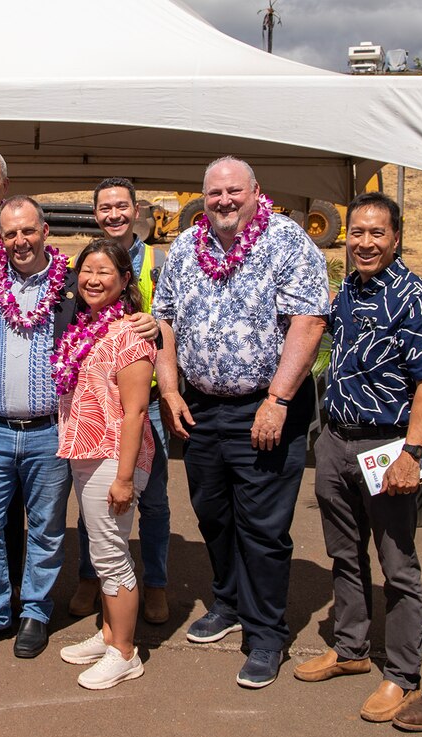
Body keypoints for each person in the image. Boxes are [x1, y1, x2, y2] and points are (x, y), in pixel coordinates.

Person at [153, 156, 328, 689]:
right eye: (213, 194)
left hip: (267, 406)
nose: (223, 201)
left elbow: (309, 319)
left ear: (256, 191)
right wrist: (168, 388)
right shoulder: (186, 246)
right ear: (202, 198)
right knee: (212, 513)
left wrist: (277, 398)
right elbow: (163, 316)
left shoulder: (288, 240)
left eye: (233, 191)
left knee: (263, 527)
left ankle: (267, 634)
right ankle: (228, 601)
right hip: (202, 408)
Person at [0, 197, 156, 661]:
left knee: (46, 529)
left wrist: (155, 325)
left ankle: (35, 613)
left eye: (28, 231)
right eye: (9, 234)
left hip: (51, 431)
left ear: (45, 230)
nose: (19, 241)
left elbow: (120, 317)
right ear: (0, 238)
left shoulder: (73, 285)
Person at [294, 192, 422, 723]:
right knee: (344, 552)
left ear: (396, 238)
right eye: (357, 232)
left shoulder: (416, 297)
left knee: (398, 565)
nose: (365, 242)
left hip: (388, 447)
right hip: (336, 441)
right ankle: (352, 650)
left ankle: (401, 675)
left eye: (377, 233)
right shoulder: (348, 291)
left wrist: (412, 453)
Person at [56, 238, 156, 689]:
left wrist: (122, 478)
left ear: (124, 280)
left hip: (114, 457)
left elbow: (135, 411)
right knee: (100, 549)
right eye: (87, 271)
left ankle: (125, 652)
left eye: (105, 273)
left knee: (112, 555)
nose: (94, 280)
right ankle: (109, 633)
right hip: (87, 453)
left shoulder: (131, 335)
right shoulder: (89, 326)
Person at [71, 177, 171, 624]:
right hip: (98, 397)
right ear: (96, 215)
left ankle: (154, 585)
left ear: (136, 210)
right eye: (105, 207)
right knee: (93, 502)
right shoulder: (87, 264)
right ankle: (93, 578)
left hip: (138, 396)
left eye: (121, 206)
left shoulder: (157, 260)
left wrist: (167, 386)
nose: (113, 214)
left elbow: (172, 319)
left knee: (149, 501)